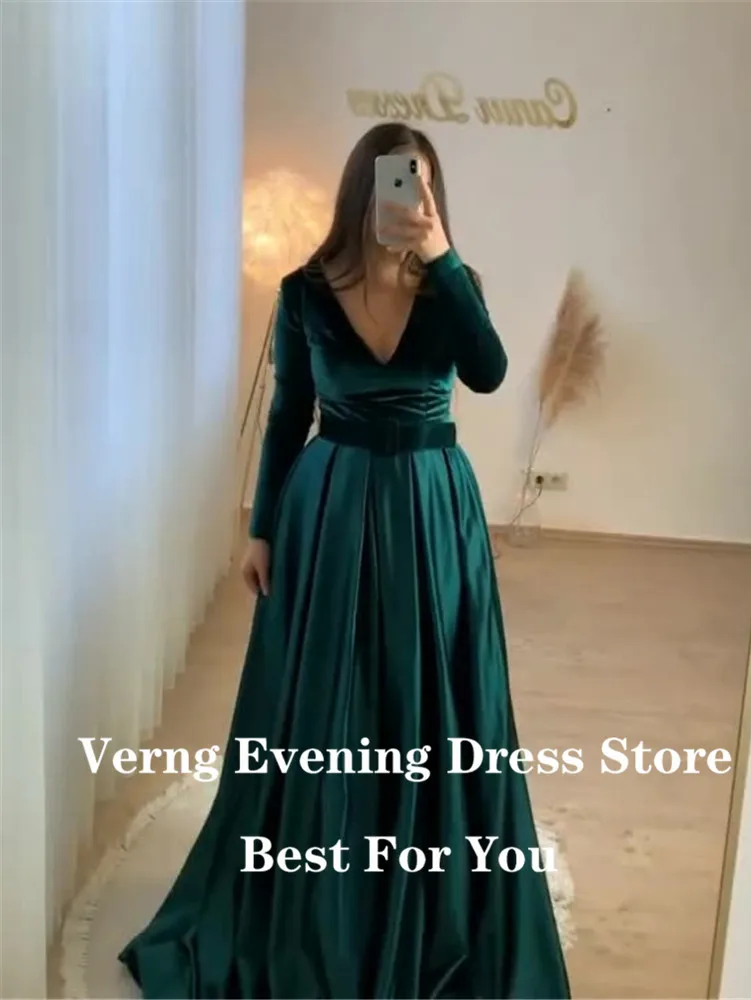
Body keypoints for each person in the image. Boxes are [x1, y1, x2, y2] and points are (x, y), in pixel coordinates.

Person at [119, 123, 571, 1000]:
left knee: (427, 695)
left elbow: (487, 373)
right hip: (326, 509)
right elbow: (289, 411)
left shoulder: (457, 285)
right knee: (326, 696)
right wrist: (262, 529)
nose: (409, 196)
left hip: (430, 513)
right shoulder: (303, 292)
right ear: (363, 187)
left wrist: (441, 259)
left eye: (423, 183)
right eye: (397, 180)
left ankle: (425, 881)